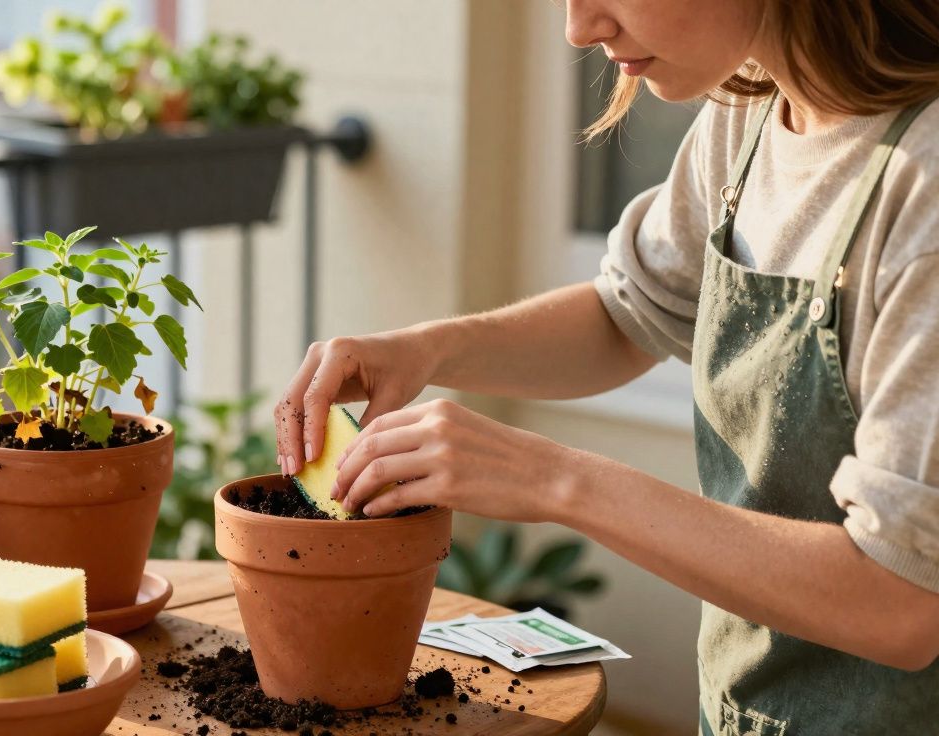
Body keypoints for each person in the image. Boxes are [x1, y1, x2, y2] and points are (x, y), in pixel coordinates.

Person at [271, 1, 939, 733]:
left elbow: (901, 599)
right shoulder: (750, 110)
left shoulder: (924, 189)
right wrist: (428, 348)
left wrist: (553, 478)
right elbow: (630, 315)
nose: (578, 28)